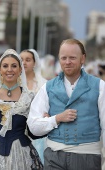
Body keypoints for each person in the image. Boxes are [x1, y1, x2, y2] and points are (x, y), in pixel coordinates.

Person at [27, 39, 105, 170]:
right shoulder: (48, 87)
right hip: (54, 157)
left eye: (72, 58)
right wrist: (56, 119)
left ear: (83, 58)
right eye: (64, 58)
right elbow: (33, 126)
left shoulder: (100, 86)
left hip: (87, 157)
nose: (67, 62)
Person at [20, 49, 47, 163]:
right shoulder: (13, 83)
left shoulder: (43, 84)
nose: (24, 63)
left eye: (28, 60)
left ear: (34, 63)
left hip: (36, 131)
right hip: (18, 128)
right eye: (21, 60)